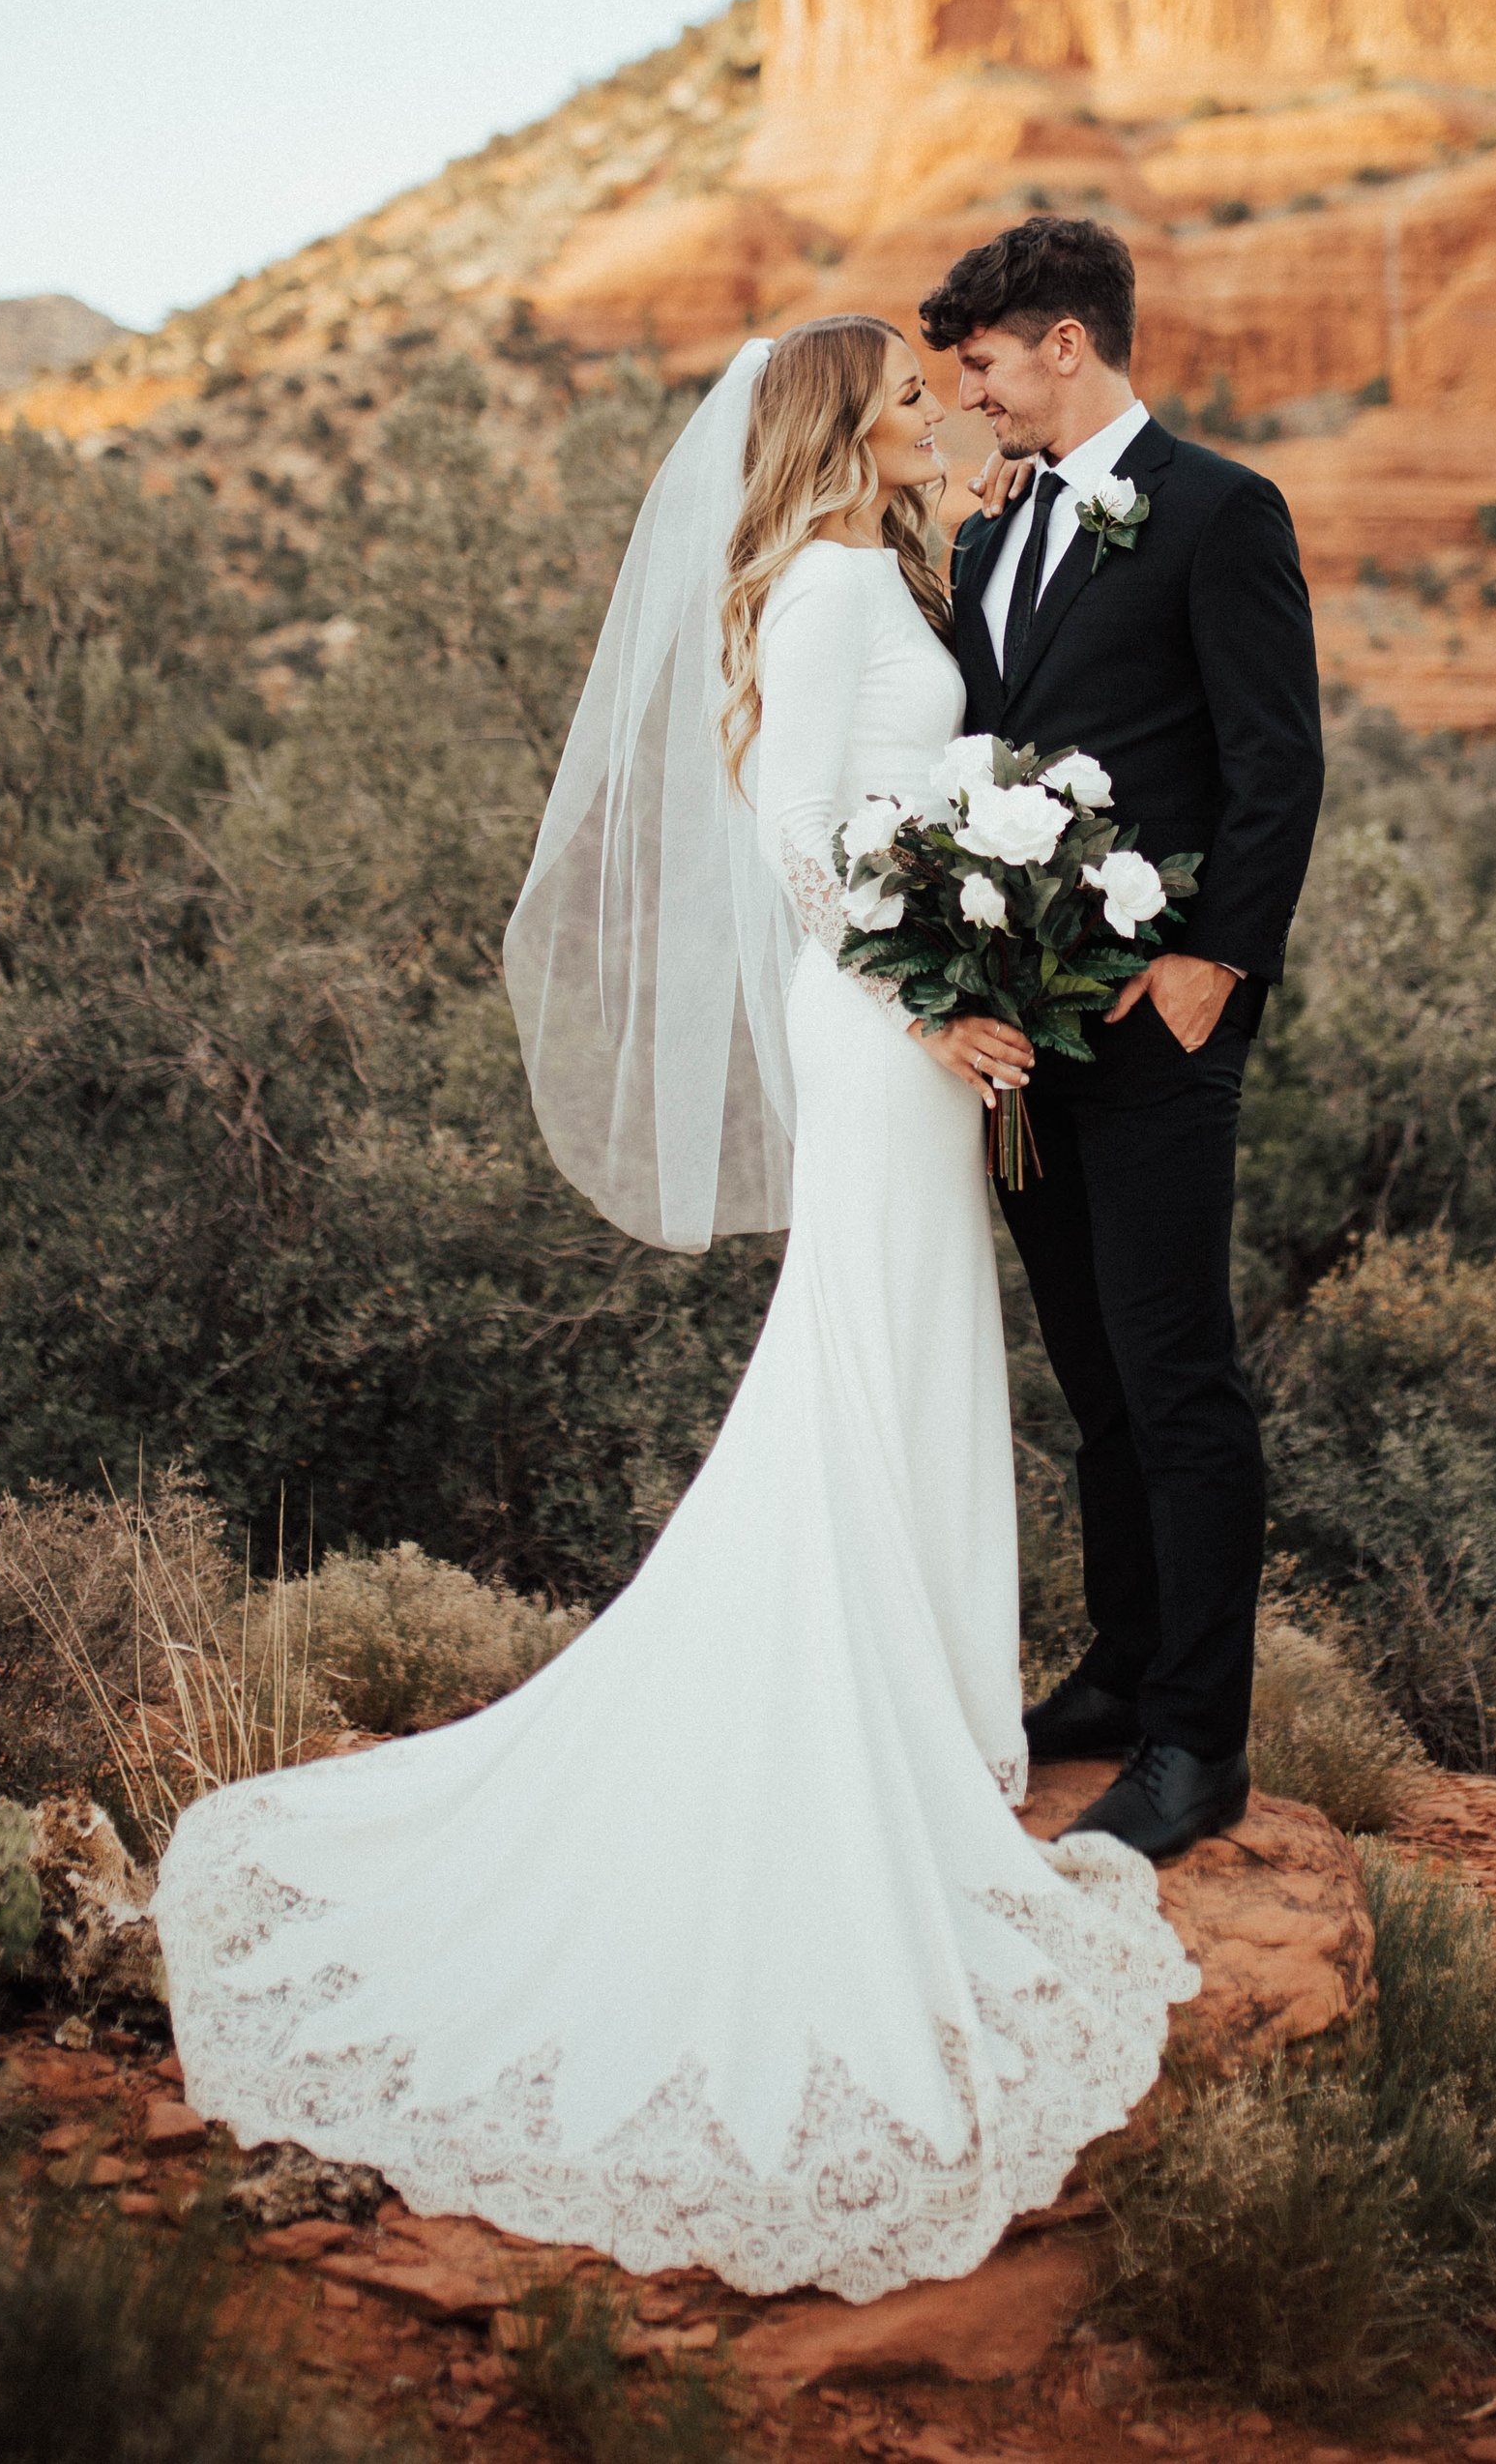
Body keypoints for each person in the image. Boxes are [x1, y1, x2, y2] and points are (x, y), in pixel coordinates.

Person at [151, 316, 1197, 2304]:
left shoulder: (877, 571)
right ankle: (884, 1714)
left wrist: (1005, 887)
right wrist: (951, 986)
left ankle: (931, 1703)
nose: (940, 412)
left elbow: (910, 787)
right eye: (909, 397)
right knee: (868, 1346)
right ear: (837, 431)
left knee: (898, 1348)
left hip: (913, 1019)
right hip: (886, 1015)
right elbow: (806, 850)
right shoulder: (814, 598)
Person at [921, 218, 1324, 1866]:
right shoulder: (991, 535)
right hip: (1031, 1034)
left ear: (1067, 342)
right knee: (1092, 1374)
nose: (977, 394)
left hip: (1160, 1021)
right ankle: (1119, 1667)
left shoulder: (1224, 510)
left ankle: (1197, 1741)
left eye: (990, 363)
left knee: (1177, 1376)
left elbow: (1275, 759)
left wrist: (1216, 959)